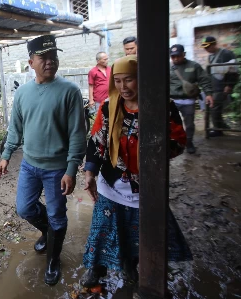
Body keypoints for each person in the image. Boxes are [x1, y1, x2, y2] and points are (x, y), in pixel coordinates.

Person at [80, 56, 192, 287]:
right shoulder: (109, 107)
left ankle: (132, 265)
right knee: (102, 228)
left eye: (129, 80)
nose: (123, 87)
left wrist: (155, 144)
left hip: (146, 185)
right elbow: (95, 142)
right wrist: (90, 173)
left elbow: (179, 141)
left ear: (141, 80)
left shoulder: (160, 106)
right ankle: (97, 268)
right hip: (111, 183)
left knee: (141, 231)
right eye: (118, 81)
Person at [0, 34, 87, 286]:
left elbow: (77, 134)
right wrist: (7, 155)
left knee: (58, 215)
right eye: (43, 57)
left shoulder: (69, 91)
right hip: (29, 164)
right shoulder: (23, 93)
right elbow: (15, 128)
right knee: (25, 208)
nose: (50, 62)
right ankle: (47, 232)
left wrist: (72, 169)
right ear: (31, 62)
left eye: (53, 57)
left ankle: (53, 259)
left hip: (57, 168)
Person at [169, 44, 214, 153]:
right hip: (172, 101)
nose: (175, 58)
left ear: (184, 54)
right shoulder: (168, 68)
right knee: (172, 123)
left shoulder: (194, 66)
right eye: (173, 56)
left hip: (188, 101)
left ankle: (189, 142)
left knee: (189, 124)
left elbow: (204, 80)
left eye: (178, 56)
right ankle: (174, 142)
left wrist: (208, 94)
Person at [201, 36, 239, 137]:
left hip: (222, 85)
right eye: (205, 47)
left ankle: (218, 130)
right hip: (213, 85)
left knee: (215, 107)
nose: (206, 49)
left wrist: (229, 85)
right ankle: (221, 125)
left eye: (208, 47)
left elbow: (233, 71)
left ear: (214, 44)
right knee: (214, 107)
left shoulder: (226, 54)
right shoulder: (211, 56)